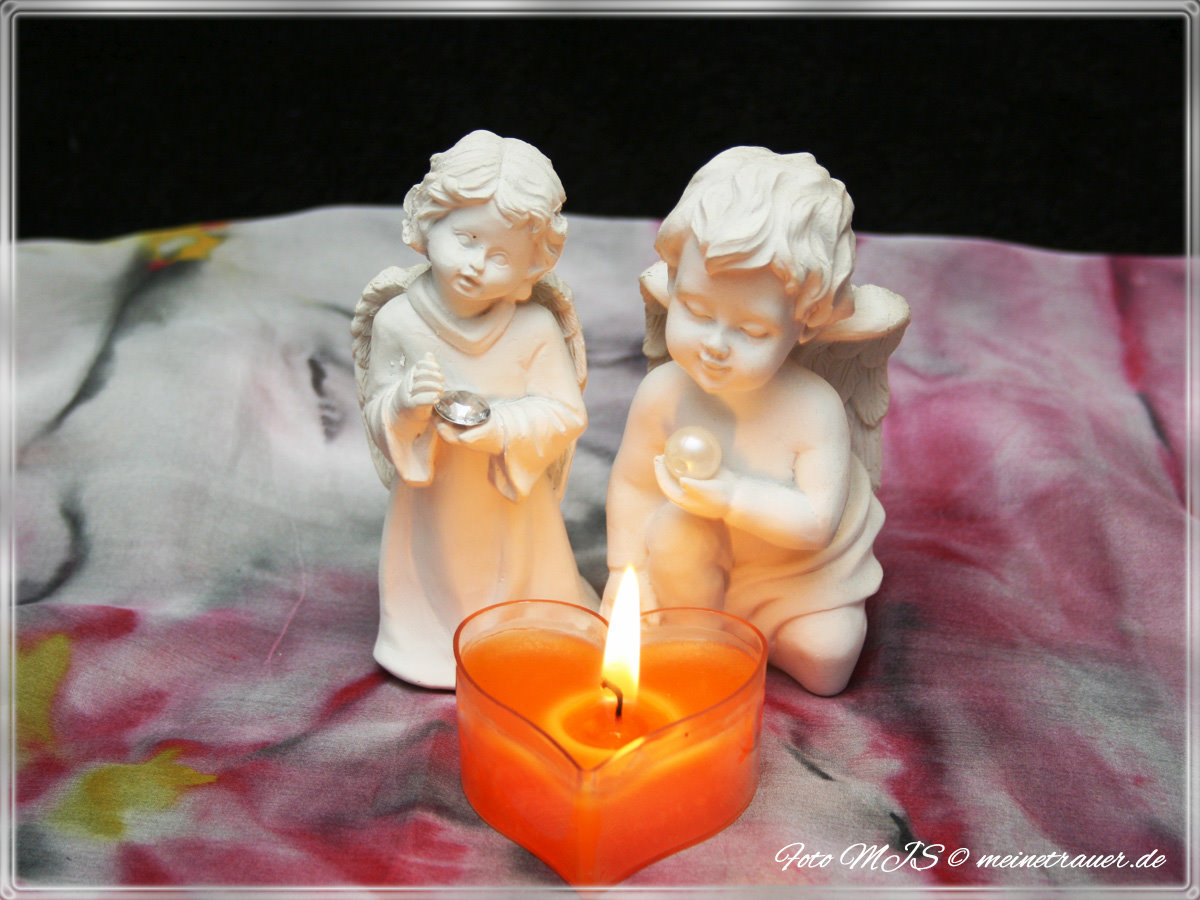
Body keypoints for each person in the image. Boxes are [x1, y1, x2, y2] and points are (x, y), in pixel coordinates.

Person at [604, 147, 900, 697]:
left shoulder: (814, 408)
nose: (715, 345)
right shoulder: (664, 391)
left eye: (753, 332)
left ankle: (759, 626)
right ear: (673, 283)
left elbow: (816, 522)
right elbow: (633, 485)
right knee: (675, 529)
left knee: (826, 657)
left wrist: (732, 497)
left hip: (800, 571)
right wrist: (626, 575)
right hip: (693, 565)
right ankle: (697, 632)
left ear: (804, 326)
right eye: (695, 310)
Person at [353, 131, 589, 689]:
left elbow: (565, 412)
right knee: (438, 570)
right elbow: (377, 409)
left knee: (523, 584)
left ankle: (528, 631)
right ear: (427, 222)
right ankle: (430, 640)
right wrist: (405, 405)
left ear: (532, 265)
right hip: (432, 501)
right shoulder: (398, 321)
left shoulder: (535, 327)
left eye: (502, 255)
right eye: (466, 238)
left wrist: (499, 427)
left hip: (511, 504)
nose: (477, 264)